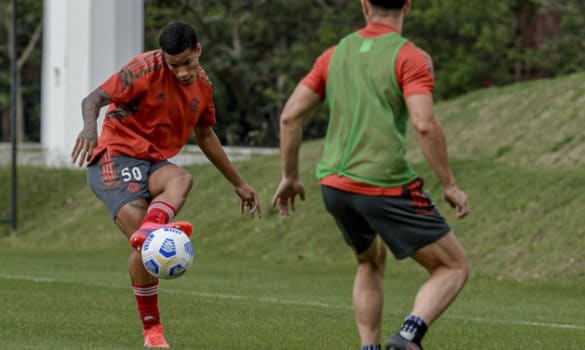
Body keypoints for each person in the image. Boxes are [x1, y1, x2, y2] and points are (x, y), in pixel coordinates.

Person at [271, 1, 469, 349]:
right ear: (407, 4)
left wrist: (290, 176)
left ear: (364, 4)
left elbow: (290, 116)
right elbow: (424, 125)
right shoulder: (410, 57)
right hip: (383, 185)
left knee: (369, 260)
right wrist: (450, 185)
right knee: (452, 267)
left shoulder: (334, 55)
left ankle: (370, 347)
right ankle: (408, 335)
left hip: (333, 185)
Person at [71, 21, 261, 348]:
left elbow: (205, 136)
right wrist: (90, 128)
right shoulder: (142, 69)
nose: (183, 72)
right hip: (114, 157)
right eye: (175, 65)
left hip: (152, 161)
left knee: (182, 178)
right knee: (150, 249)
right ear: (164, 57)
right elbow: (92, 100)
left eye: (188, 62)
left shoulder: (202, 85)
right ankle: (152, 331)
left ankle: (151, 231)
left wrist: (239, 183)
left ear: (198, 50)